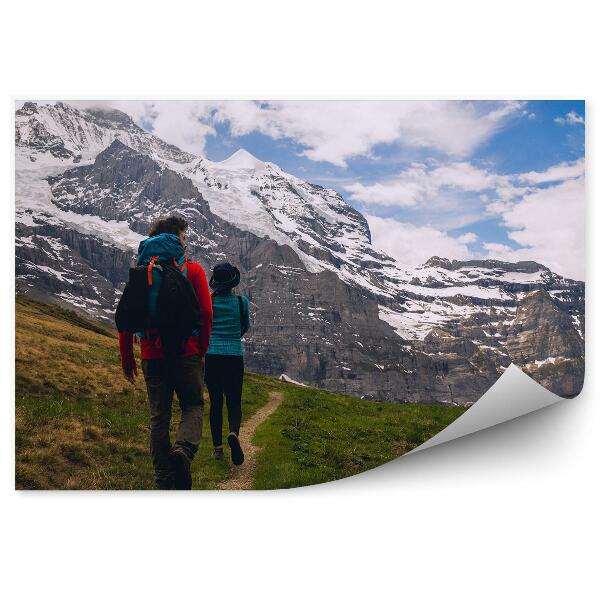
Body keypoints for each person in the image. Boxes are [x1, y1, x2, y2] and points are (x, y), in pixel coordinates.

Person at [118, 216, 213, 490]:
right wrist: (202, 348)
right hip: (187, 353)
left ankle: (163, 478)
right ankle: (182, 452)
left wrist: (127, 358)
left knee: (159, 417)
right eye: (184, 237)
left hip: (151, 354)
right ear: (175, 239)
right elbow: (206, 314)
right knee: (192, 405)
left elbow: (127, 316)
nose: (186, 242)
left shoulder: (142, 272)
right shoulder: (192, 270)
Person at [205, 262, 250, 465]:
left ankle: (217, 450)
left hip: (212, 356)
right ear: (234, 283)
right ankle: (233, 433)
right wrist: (232, 337)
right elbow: (245, 326)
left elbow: (203, 327)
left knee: (216, 403)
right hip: (234, 356)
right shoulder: (242, 302)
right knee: (234, 400)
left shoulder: (208, 302)